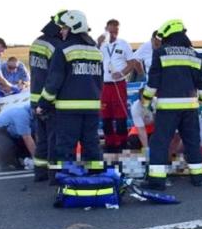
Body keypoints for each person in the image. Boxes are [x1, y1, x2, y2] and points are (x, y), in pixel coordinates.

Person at [142, 19, 202, 190]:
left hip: (168, 108)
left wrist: (145, 101)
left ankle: (157, 180)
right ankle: (198, 177)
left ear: (168, 36)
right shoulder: (194, 54)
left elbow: (153, 83)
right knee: (192, 141)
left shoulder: (161, 53)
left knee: (160, 142)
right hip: (190, 108)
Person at [37, 10, 104, 181]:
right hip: (91, 108)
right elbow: (99, 80)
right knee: (92, 146)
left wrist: (43, 103)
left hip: (68, 109)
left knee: (65, 148)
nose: (62, 31)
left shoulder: (64, 49)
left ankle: (66, 183)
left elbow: (54, 81)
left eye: (65, 27)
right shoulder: (96, 51)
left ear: (74, 27)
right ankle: (96, 179)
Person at [28, 12, 65, 182]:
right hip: (49, 99)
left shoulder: (37, 42)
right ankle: (54, 174)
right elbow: (55, 76)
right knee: (54, 139)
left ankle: (40, 172)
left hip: (35, 98)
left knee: (41, 138)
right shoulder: (55, 46)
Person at [96, 19, 135, 153]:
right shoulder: (100, 45)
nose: (113, 34)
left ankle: (122, 144)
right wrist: (97, 43)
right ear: (105, 29)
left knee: (120, 117)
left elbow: (132, 63)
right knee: (106, 117)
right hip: (104, 85)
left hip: (118, 85)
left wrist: (122, 73)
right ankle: (109, 144)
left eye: (115, 31)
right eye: (110, 31)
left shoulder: (123, 44)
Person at [0, 103, 37, 171]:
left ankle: (18, 159)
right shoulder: (22, 114)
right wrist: (36, 159)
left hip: (13, 134)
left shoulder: (34, 116)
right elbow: (27, 138)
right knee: (8, 146)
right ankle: (5, 163)